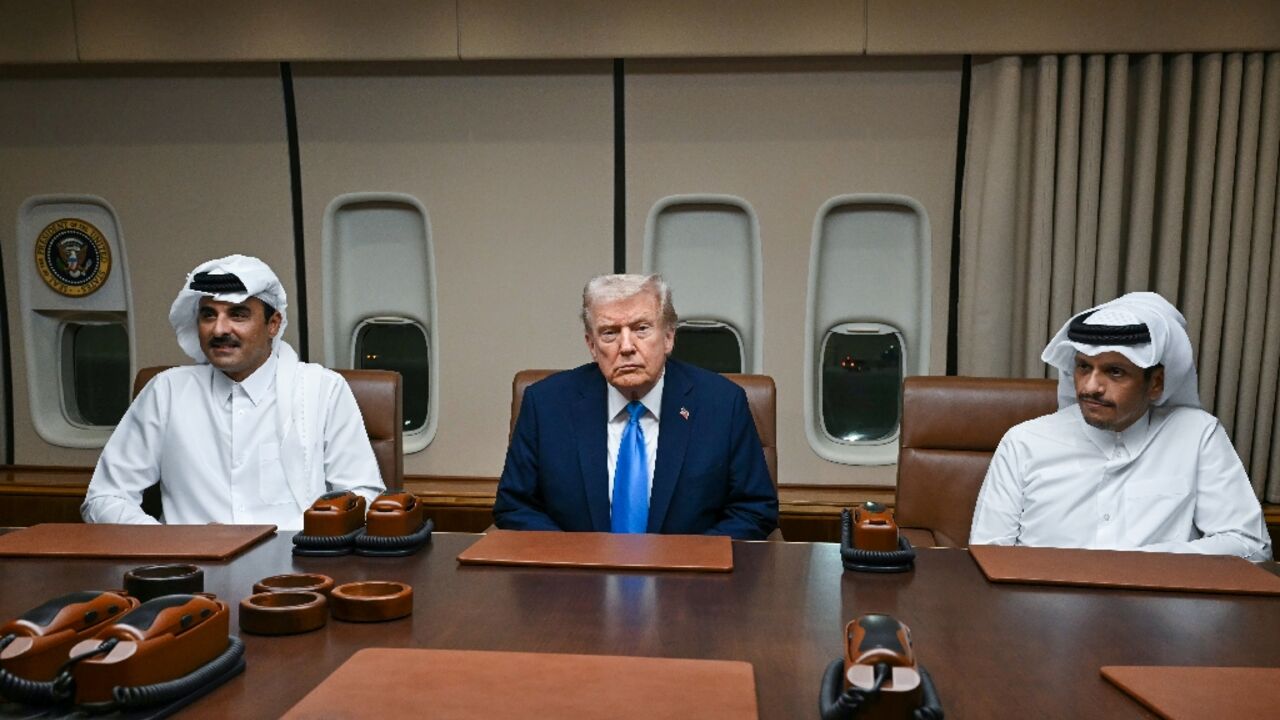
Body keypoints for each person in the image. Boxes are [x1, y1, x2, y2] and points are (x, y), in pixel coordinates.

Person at [82, 255, 384, 530]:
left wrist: (314, 545)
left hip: (296, 573)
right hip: (190, 572)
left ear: (273, 324)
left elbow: (363, 496)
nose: (219, 330)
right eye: (208, 315)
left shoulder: (322, 390)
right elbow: (105, 498)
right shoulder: (167, 391)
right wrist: (167, 546)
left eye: (238, 315)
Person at [970, 292, 1272, 561]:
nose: (1090, 387)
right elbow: (989, 553)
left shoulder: (1197, 436)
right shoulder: (1025, 442)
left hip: (1158, 615)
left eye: (1115, 372)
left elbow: (1250, 546)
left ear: (1155, 383)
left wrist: (1135, 564)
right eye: (1084, 367)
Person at [493, 274, 778, 540]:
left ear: (668, 337)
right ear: (591, 345)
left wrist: (683, 563)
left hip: (689, 584)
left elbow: (754, 509)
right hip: (575, 582)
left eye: (641, 329)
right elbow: (515, 506)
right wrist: (576, 561)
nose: (626, 346)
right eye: (609, 333)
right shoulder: (546, 404)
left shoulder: (722, 404)